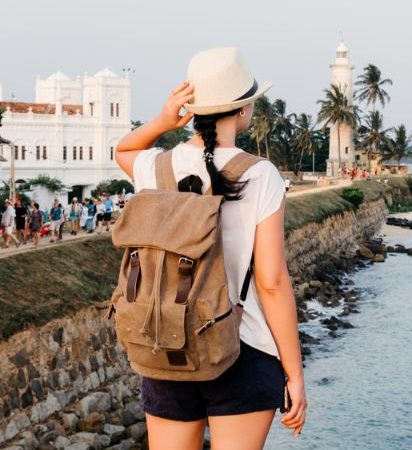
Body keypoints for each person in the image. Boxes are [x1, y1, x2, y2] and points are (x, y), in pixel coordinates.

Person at [114, 47, 306, 449]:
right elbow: (271, 283)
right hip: (242, 346)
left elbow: (124, 151)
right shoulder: (260, 175)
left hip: (166, 345)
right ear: (242, 111)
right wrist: (295, 373)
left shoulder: (156, 167)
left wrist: (164, 121)